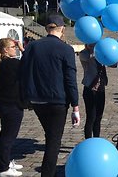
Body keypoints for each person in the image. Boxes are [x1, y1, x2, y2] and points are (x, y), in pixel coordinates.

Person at [20, 14, 80, 177]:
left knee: (50, 135)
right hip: (57, 101)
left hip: (37, 100)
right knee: (54, 142)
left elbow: (23, 73)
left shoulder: (32, 47)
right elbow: (70, 80)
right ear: (62, 29)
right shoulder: (66, 49)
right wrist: (76, 106)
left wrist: (25, 96)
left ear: (47, 29)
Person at [0, 38, 25, 177]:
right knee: (8, 137)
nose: (15, 49)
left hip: (4, 102)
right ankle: (3, 168)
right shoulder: (12, 63)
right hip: (12, 104)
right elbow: (29, 65)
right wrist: (23, 50)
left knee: (7, 134)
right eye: (13, 47)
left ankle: (7, 161)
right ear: (5, 50)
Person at [79, 44, 108, 139]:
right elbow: (89, 58)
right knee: (91, 117)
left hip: (101, 88)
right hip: (90, 88)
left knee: (99, 117)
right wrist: (94, 51)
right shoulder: (84, 53)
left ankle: (96, 139)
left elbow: (113, 64)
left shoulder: (101, 53)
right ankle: (88, 140)